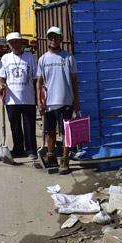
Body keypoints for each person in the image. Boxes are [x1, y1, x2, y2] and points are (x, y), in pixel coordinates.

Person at [36, 26, 79, 174]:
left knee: (65, 133)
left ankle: (65, 161)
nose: (53, 39)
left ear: (61, 39)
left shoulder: (68, 57)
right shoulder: (42, 59)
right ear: (48, 38)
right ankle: (51, 156)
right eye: (51, 37)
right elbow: (39, 83)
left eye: (56, 37)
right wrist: (39, 102)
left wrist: (76, 102)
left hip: (66, 101)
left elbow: (74, 81)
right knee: (50, 132)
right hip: (48, 103)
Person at [0, 32, 38, 159]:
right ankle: (18, 149)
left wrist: (38, 95)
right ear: (8, 45)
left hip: (28, 98)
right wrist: (0, 84)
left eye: (17, 42)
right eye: (12, 43)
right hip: (11, 99)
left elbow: (36, 77)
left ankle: (31, 150)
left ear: (21, 43)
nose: (15, 45)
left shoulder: (30, 57)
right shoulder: (5, 58)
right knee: (15, 126)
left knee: (29, 126)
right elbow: (1, 76)